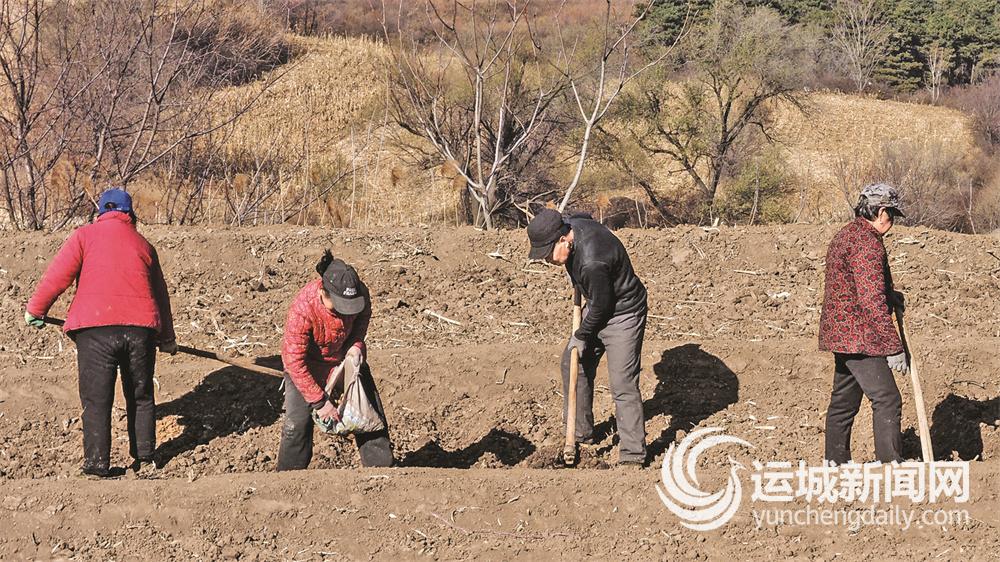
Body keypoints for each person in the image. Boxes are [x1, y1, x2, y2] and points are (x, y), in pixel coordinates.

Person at [24, 188, 176, 478]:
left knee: (96, 400)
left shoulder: (84, 236)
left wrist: (36, 309)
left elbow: (58, 275)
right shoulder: (144, 245)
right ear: (130, 214)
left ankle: (97, 465)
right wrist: (167, 339)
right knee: (141, 395)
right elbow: (160, 294)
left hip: (95, 330)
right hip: (140, 331)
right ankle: (145, 458)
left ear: (100, 213)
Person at [527, 208, 649, 466]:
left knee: (622, 383)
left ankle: (632, 456)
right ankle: (580, 436)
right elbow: (584, 215)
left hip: (623, 313)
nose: (547, 261)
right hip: (597, 303)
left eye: (548, 254)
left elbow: (603, 306)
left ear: (563, 240)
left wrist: (582, 335)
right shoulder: (569, 225)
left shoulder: (592, 260)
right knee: (573, 363)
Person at [278, 251, 393, 470]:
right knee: (296, 425)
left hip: (342, 360)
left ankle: (383, 471)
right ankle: (288, 478)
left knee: (370, 413)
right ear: (323, 292)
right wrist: (320, 402)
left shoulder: (359, 294)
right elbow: (294, 361)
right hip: (306, 367)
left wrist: (356, 346)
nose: (344, 313)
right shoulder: (303, 308)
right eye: (339, 305)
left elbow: (362, 320)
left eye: (349, 306)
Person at [819, 183, 909, 465]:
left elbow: (855, 283)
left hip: (841, 333)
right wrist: (893, 347)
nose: (892, 221)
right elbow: (870, 301)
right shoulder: (867, 243)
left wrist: (889, 294)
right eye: (891, 214)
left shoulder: (847, 234)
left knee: (844, 402)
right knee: (887, 399)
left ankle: (835, 464)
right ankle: (890, 465)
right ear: (881, 212)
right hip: (861, 336)